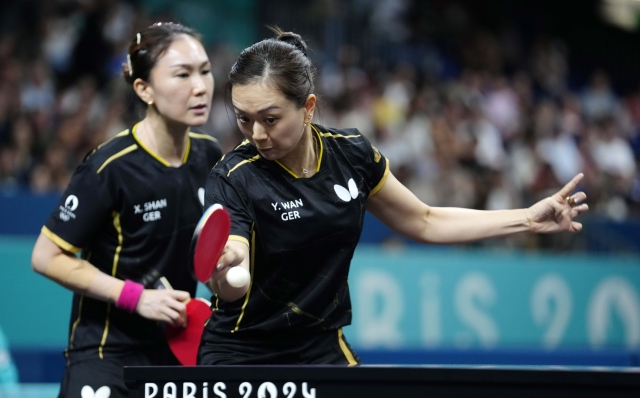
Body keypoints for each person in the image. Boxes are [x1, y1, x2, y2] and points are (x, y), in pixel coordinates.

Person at [198, 28, 588, 365]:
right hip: (241, 349)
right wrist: (226, 271)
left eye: (270, 119)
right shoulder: (233, 176)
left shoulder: (351, 153)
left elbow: (424, 220)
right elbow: (235, 279)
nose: (257, 134)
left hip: (319, 347)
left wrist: (526, 219)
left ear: (308, 109)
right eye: (243, 118)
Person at [31, 23, 221, 397]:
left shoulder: (209, 155)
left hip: (174, 349)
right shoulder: (110, 167)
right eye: (182, 74)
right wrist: (136, 297)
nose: (200, 87)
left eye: (205, 71)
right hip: (107, 352)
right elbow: (46, 256)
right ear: (143, 89)